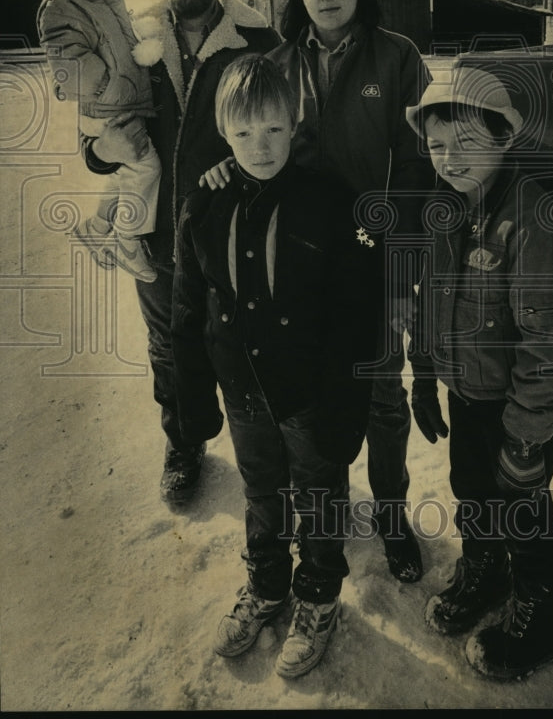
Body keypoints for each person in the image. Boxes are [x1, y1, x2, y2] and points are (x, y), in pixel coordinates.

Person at [202, 0, 434, 582]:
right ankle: (321, 516)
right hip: (299, 271)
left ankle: (390, 512)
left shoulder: (396, 58)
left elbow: (417, 165)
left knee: (382, 396)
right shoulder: (276, 65)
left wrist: (400, 256)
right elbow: (251, 144)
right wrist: (224, 174)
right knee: (311, 398)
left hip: (374, 260)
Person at [172, 54, 378, 679]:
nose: (259, 147)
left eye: (273, 131)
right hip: (244, 391)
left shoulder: (330, 201)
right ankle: (267, 584)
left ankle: (318, 595)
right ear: (223, 131)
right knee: (261, 490)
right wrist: (194, 397)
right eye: (242, 134)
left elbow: (355, 315)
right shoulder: (203, 207)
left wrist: (347, 402)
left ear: (295, 124)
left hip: (310, 392)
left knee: (318, 492)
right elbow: (187, 308)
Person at [81, 0, 279, 502]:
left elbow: (283, 133)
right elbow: (93, 134)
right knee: (168, 346)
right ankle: (184, 442)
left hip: (227, 233)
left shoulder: (257, 42)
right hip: (153, 233)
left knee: (240, 342)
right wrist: (100, 147)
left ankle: (263, 452)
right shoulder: (129, 37)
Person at [404, 63, 553, 681]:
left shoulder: (532, 219)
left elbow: (552, 342)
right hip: (465, 392)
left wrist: (526, 436)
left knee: (523, 510)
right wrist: (424, 376)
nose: (450, 159)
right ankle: (487, 567)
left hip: (517, 410)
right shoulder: (443, 207)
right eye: (437, 146)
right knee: (473, 491)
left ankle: (544, 611)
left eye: (466, 143)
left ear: (503, 139)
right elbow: (429, 299)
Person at [37, 0, 162, 283]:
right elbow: (70, 63)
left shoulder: (108, 0)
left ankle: (96, 227)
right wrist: (113, 88)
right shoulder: (61, 6)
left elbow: (119, 45)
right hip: (106, 109)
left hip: (118, 104)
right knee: (145, 168)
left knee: (125, 173)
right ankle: (127, 239)